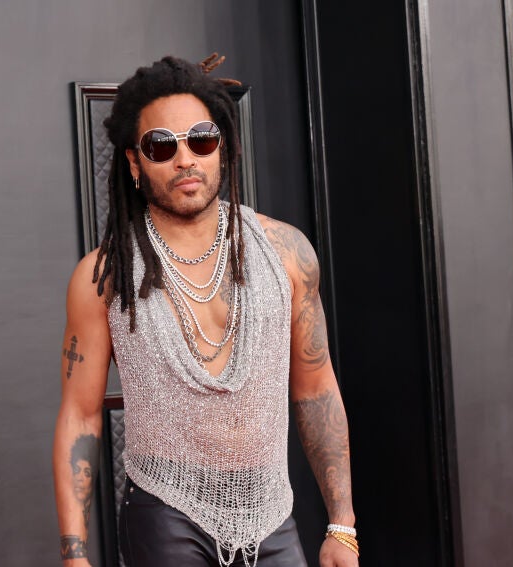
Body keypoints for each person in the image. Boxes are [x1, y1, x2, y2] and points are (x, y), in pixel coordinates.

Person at [53, 55, 358, 567]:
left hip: (270, 511)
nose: (185, 159)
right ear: (135, 163)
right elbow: (79, 415)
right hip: (165, 511)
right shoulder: (103, 276)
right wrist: (74, 553)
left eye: (201, 140)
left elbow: (316, 389)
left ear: (223, 148)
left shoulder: (287, 253)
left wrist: (341, 525)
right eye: (161, 146)